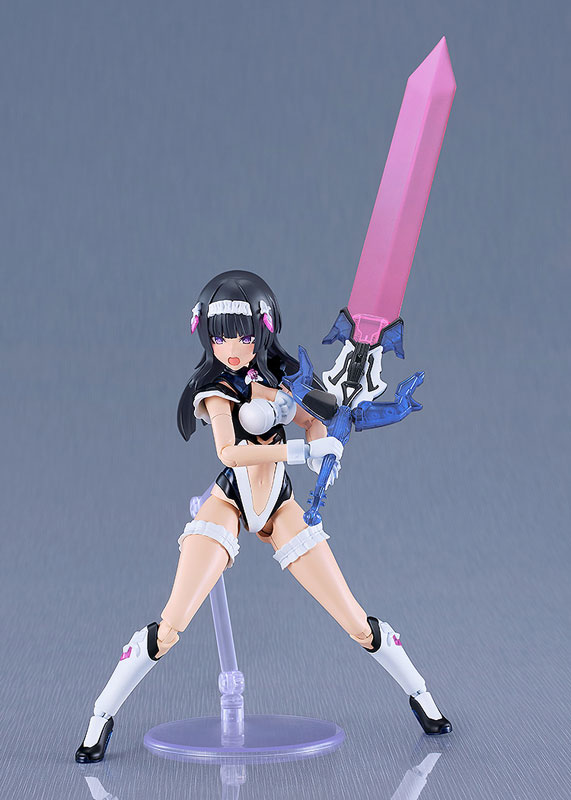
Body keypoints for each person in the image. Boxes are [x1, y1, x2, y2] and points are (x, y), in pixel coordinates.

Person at [75, 270, 451, 763]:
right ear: (206, 336)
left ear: (264, 330)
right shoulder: (215, 389)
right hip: (229, 502)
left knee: (355, 620)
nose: (232, 348)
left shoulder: (281, 380)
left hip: (279, 505)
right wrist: (299, 452)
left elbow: (316, 419)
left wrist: (324, 446)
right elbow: (229, 452)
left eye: (243, 335)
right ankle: (100, 718)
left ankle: (422, 697)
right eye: (221, 337)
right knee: (170, 626)